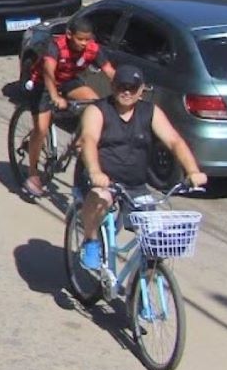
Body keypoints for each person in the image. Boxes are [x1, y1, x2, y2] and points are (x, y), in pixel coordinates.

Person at [74, 65, 207, 270]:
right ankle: (91, 241)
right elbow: (89, 139)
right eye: (122, 86)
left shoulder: (150, 112)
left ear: (141, 89)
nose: (127, 91)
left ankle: (142, 289)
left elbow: (174, 141)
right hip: (102, 180)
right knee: (101, 197)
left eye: (132, 87)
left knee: (153, 237)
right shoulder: (97, 110)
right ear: (113, 85)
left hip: (134, 183)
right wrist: (95, 171)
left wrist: (193, 171)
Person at [21, 17, 114, 198]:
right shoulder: (55, 46)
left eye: (87, 39)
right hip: (43, 82)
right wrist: (55, 96)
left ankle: (80, 140)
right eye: (80, 39)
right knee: (41, 129)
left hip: (69, 80)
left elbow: (109, 70)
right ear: (69, 35)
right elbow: (48, 71)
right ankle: (32, 174)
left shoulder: (92, 48)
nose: (84, 44)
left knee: (96, 105)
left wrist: (124, 89)